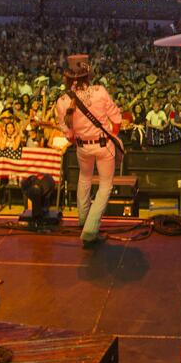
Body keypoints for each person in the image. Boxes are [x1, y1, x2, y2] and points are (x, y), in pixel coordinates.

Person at [54, 55, 122, 247]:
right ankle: (91, 229)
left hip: (83, 147)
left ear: (68, 78)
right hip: (102, 145)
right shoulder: (99, 91)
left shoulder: (62, 101)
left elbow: (68, 135)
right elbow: (116, 120)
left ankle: (83, 221)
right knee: (105, 185)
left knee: (84, 179)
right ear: (88, 75)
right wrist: (111, 135)